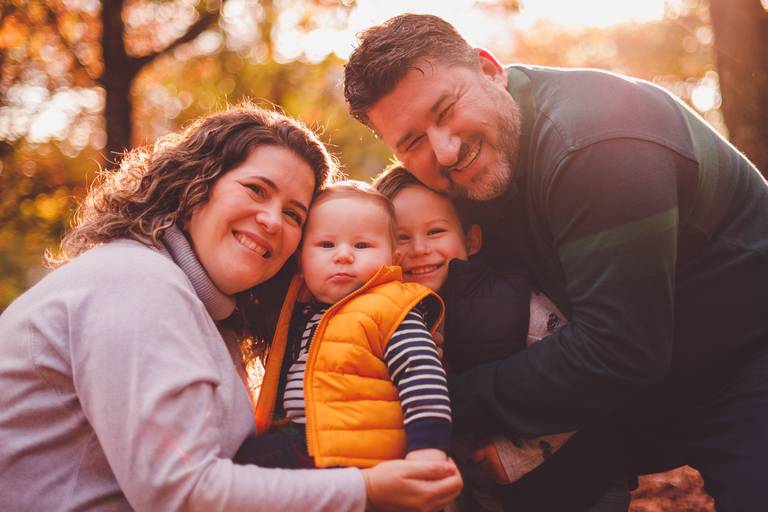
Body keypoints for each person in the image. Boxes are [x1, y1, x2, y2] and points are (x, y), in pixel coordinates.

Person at [344, 13, 768, 511]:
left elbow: (618, 349)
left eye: (446, 110)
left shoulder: (598, 142)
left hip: (746, 354)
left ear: (489, 68)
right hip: (638, 379)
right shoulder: (466, 174)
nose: (446, 150)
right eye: (412, 142)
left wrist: (435, 403)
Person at [0, 103, 462, 511]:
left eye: (293, 214)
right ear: (196, 185)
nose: (270, 221)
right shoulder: (136, 282)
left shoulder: (211, 320)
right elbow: (178, 493)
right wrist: (364, 489)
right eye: (256, 190)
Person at [376, 167, 632, 512]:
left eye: (436, 231)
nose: (419, 249)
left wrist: (518, 453)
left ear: (472, 240)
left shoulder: (512, 302)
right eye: (401, 238)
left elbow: (584, 384)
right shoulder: (389, 318)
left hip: (580, 485)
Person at [234, 180, 452, 469]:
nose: (343, 255)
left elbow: (421, 374)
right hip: (305, 438)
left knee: (237, 469)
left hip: (353, 451)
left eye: (362, 245)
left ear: (393, 258)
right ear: (300, 260)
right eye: (326, 244)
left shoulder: (391, 307)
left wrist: (428, 448)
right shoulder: (303, 312)